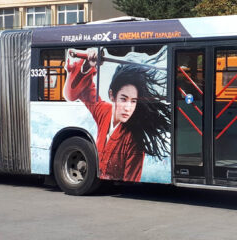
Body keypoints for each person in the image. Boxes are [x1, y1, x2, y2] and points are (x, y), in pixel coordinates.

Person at [63, 49, 171, 182]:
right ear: (112, 95)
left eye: (133, 101)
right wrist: (87, 65)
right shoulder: (104, 111)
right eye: (123, 99)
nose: (128, 107)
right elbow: (77, 93)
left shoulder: (134, 140)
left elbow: (131, 181)